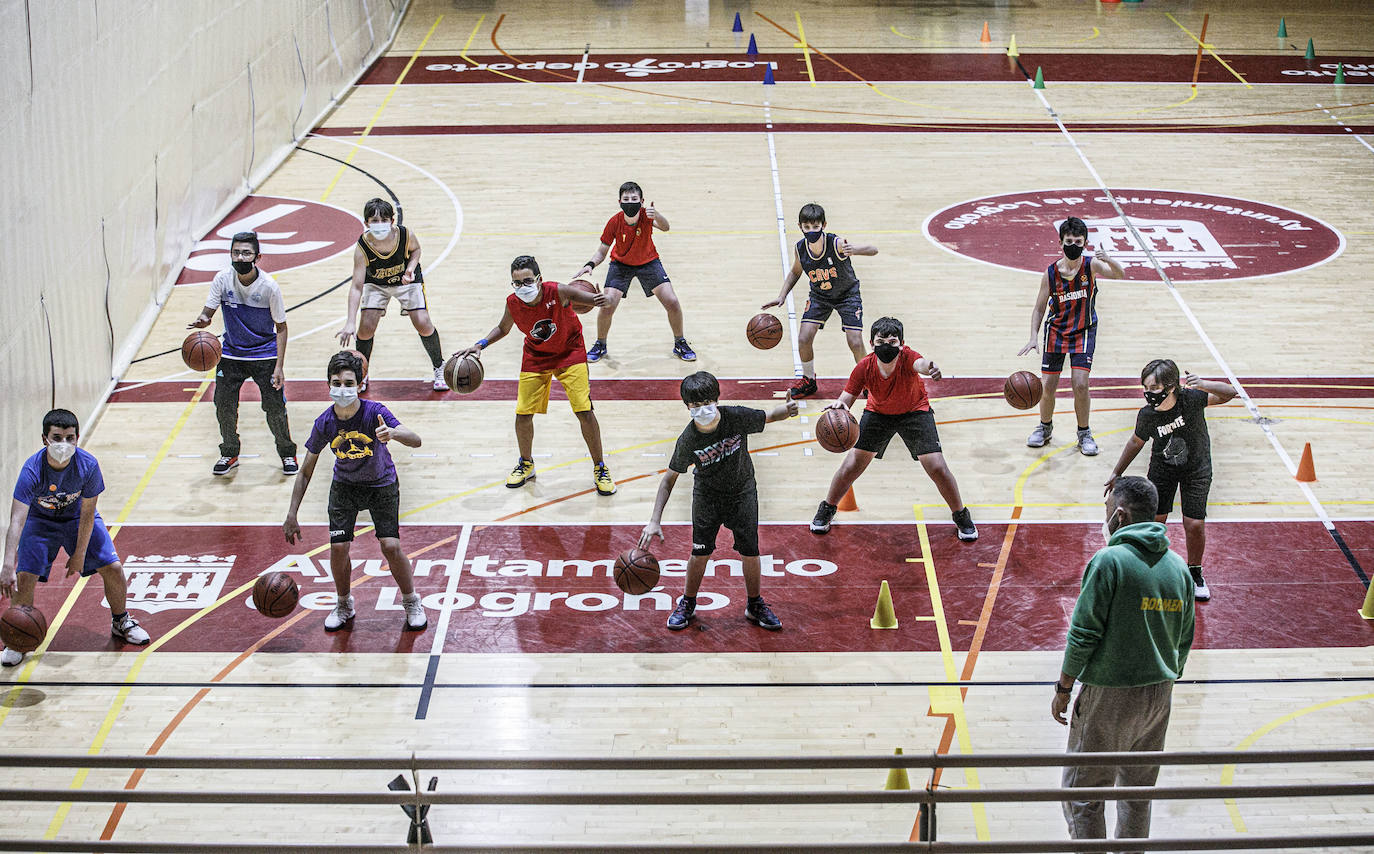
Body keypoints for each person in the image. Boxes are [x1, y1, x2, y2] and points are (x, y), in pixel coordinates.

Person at [1053, 475, 1194, 851]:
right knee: (1136, 792)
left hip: (1109, 694)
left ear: (1119, 515)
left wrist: (1064, 689)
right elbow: (1185, 638)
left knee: (1083, 792)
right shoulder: (1179, 567)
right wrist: (1163, 677)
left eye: (1106, 510)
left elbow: (1083, 633)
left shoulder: (1109, 561)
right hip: (1159, 695)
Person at [639, 371, 798, 631]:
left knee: (750, 551)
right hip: (707, 497)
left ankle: (754, 604)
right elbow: (668, 479)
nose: (702, 409)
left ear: (717, 399)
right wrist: (654, 520)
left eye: (707, 403)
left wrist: (788, 409)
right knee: (700, 553)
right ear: (687, 407)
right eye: (696, 405)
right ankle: (688, 602)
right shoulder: (688, 439)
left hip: (742, 492)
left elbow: (768, 416)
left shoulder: (735, 417)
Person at [282, 352, 427, 632]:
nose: (342, 389)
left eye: (349, 383)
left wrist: (394, 434)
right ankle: (344, 603)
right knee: (338, 548)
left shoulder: (375, 412)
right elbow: (305, 470)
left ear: (360, 385)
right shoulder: (325, 422)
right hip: (345, 486)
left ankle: (411, 601)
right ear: (328, 385)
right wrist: (291, 513)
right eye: (336, 383)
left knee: (390, 546)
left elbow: (416, 441)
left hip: (381, 484)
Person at [451, 255, 616, 495]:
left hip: (570, 352)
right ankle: (526, 464)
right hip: (536, 356)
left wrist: (602, 299)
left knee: (583, 410)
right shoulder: (512, 303)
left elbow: (596, 300)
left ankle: (600, 467)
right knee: (522, 414)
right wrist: (481, 344)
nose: (522, 287)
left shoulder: (558, 291)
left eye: (527, 281)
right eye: (516, 283)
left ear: (539, 279)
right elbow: (503, 328)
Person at [0, 409, 151, 666]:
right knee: (24, 575)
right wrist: (7, 564)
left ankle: (121, 620)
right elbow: (17, 519)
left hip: (76, 519)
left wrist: (79, 554)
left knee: (113, 567)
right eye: (57, 437)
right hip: (40, 521)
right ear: (44, 439)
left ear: (77, 438)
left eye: (70, 438)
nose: (64, 444)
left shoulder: (88, 465)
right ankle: (17, 638)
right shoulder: (32, 470)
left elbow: (88, 513)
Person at [810, 316, 977, 541]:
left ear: (902, 343)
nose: (887, 346)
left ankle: (961, 514)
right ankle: (827, 508)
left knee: (937, 467)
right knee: (851, 465)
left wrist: (931, 368)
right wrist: (840, 406)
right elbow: (846, 399)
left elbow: (922, 364)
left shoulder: (908, 357)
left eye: (893, 342)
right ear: (871, 344)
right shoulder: (864, 366)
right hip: (878, 414)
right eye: (881, 341)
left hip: (915, 412)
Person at [1104, 359, 1236, 601]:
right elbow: (1136, 442)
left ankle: (1195, 572)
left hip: (1196, 470)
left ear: (1172, 386)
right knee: (1155, 521)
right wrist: (1117, 471)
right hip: (1162, 471)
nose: (1148, 394)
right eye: (1145, 388)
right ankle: (1150, 569)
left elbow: (1230, 393)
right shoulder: (1147, 415)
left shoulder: (1192, 400)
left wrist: (1205, 384)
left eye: (1153, 388)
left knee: (1194, 524)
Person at [189, 231, 299, 477]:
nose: (240, 257)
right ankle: (230, 452)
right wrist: (203, 320)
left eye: (246, 253)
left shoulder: (269, 287)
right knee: (223, 405)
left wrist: (279, 366)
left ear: (257, 257)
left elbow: (281, 328)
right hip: (231, 354)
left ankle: (287, 453)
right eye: (236, 252)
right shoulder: (222, 279)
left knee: (274, 409)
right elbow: (208, 311)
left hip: (264, 355)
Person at [1017, 215, 1124, 456]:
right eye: (1069, 240)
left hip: (1083, 331)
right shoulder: (1051, 273)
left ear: (1085, 243)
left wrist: (1111, 260)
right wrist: (1033, 336)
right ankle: (1044, 428)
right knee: (1048, 386)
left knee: (1081, 384)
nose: (1073, 245)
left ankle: (1084, 433)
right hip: (1056, 331)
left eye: (1078, 241)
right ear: (1060, 242)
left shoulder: (1091, 266)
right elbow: (1039, 308)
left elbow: (1121, 275)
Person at [762, 203, 877, 399]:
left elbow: (873, 249)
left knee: (855, 341)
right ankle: (808, 380)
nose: (811, 231)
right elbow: (795, 272)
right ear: (800, 227)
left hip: (847, 294)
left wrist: (854, 249)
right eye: (807, 228)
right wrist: (782, 295)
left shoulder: (836, 243)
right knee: (803, 338)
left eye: (815, 227)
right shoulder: (800, 248)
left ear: (823, 225)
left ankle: (869, 382)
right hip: (820, 296)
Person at [574, 181, 696, 363]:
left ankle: (680, 342)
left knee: (672, 301)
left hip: (649, 263)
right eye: (626, 199)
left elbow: (666, 227)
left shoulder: (647, 216)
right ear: (619, 202)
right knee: (607, 305)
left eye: (634, 198)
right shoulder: (614, 222)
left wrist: (658, 215)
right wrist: (590, 264)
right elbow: (602, 250)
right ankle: (601, 344)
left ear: (642, 201)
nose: (630, 202)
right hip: (621, 265)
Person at [336, 198, 448, 392]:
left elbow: (416, 250)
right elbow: (356, 286)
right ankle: (362, 373)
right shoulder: (363, 245)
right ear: (366, 223)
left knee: (422, 322)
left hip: (407, 279)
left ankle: (439, 366)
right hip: (377, 284)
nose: (379, 224)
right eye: (374, 221)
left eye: (383, 220)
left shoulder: (405, 235)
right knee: (365, 329)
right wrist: (350, 322)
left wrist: (411, 269)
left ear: (392, 220)